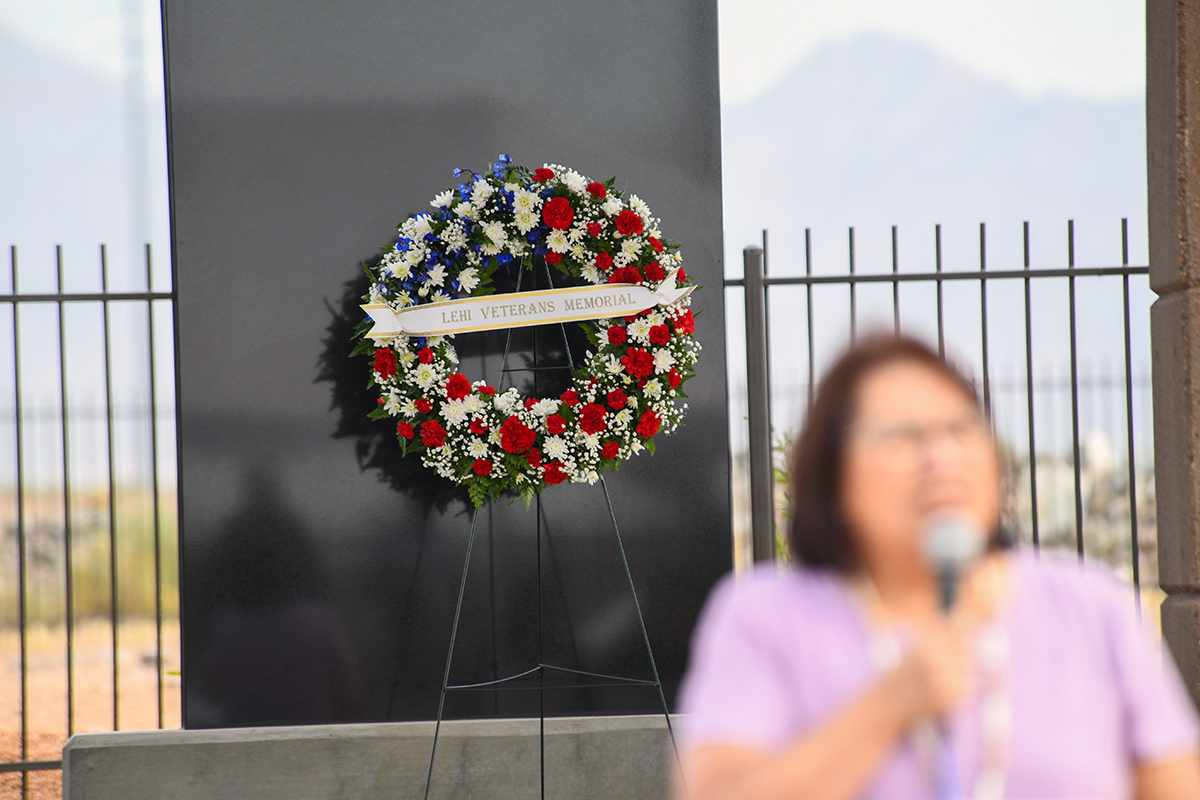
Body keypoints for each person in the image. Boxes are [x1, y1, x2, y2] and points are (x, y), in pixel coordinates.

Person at [677, 334, 1200, 800]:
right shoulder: (766, 617)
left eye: (962, 429)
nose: (942, 459)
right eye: (902, 437)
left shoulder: (1090, 606)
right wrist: (888, 707)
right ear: (833, 473)